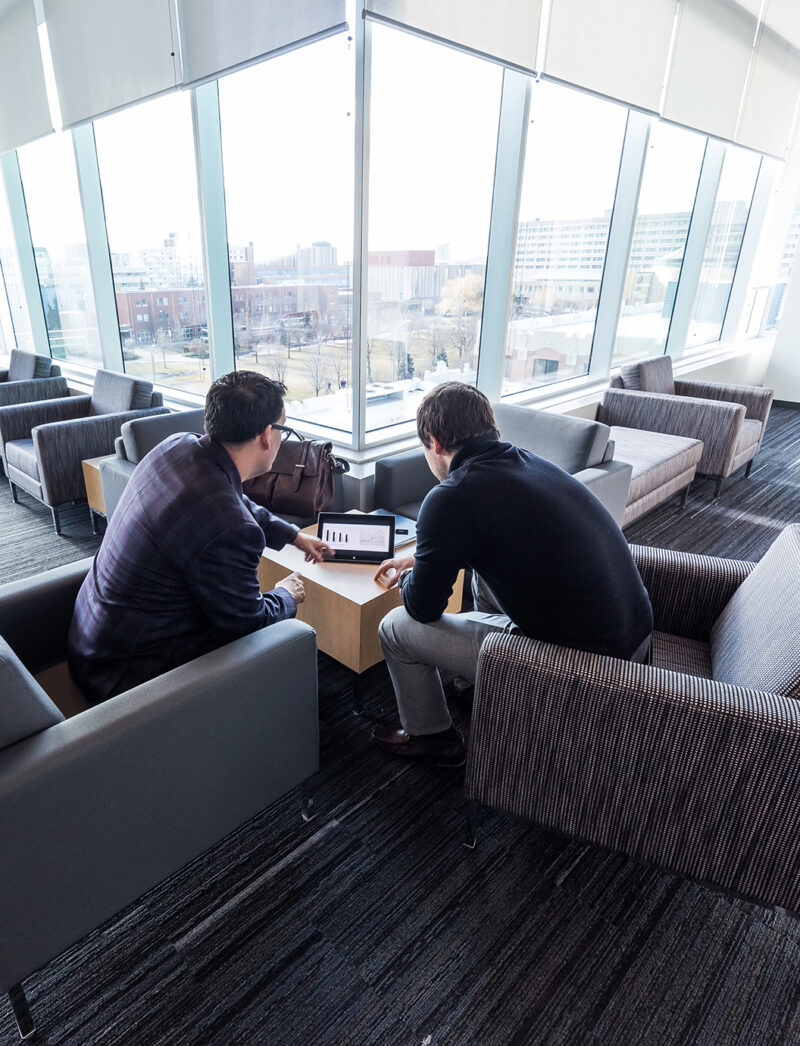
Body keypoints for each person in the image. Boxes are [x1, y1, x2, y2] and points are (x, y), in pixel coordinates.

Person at [372, 382, 653, 767]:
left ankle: (434, 739)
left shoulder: (452, 495)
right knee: (484, 567)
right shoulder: (528, 462)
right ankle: (474, 685)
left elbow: (422, 608)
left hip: (589, 666)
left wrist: (410, 578)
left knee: (394, 628)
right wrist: (421, 559)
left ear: (434, 443)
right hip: (633, 636)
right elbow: (502, 541)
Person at [68, 371, 332, 704]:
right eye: (283, 429)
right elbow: (248, 624)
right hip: (126, 676)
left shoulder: (176, 446)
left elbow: (231, 499)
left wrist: (294, 536)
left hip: (89, 641)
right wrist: (286, 594)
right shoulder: (231, 528)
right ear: (267, 435)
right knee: (273, 632)